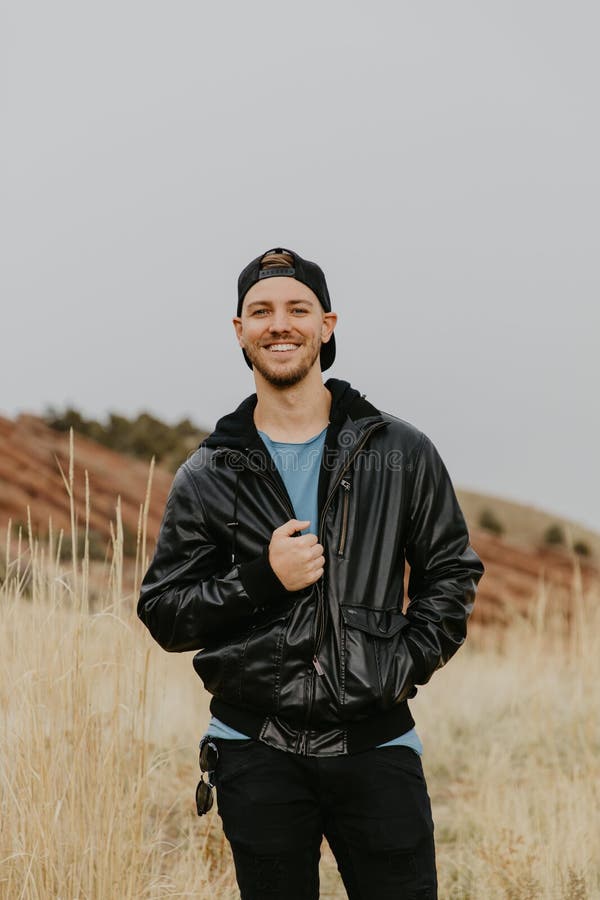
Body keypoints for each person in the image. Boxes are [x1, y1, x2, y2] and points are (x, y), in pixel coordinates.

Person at [137, 247, 484, 899]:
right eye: (261, 311)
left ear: (327, 324)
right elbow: (165, 611)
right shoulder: (209, 474)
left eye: (297, 309)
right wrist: (261, 578)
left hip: (378, 745)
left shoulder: (400, 451)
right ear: (238, 331)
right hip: (253, 747)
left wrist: (400, 663)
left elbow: (451, 572)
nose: (279, 324)